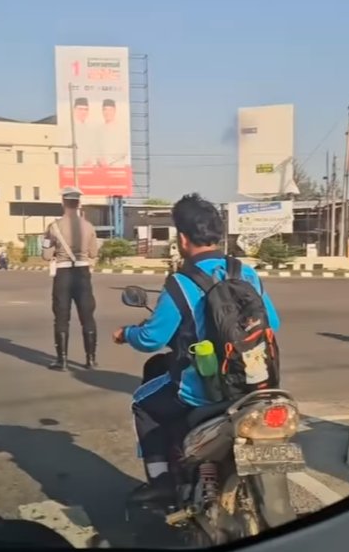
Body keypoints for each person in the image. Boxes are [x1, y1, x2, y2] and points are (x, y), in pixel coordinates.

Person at [112, 193, 280, 505]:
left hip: (201, 391)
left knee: (143, 404)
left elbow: (152, 338)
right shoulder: (246, 272)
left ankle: (161, 480)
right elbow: (274, 323)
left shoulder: (182, 282)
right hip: (254, 384)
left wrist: (125, 334)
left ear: (183, 239)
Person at [42, 187, 99, 371]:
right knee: (87, 316)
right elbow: (93, 253)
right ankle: (90, 359)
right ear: (79, 203)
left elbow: (46, 254)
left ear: (63, 203)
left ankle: (63, 360)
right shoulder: (89, 226)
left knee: (61, 317)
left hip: (63, 274)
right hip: (83, 274)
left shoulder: (54, 227)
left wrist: (50, 245)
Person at [96, 99, 129, 167]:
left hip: (117, 167)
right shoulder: (99, 129)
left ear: (114, 111)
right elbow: (96, 148)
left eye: (110, 110)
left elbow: (123, 150)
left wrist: (108, 161)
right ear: (102, 111)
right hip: (101, 168)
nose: (107, 112)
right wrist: (99, 159)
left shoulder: (121, 129)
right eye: (105, 109)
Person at [73, 97, 95, 167]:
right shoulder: (70, 128)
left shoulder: (90, 130)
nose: (83, 112)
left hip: (90, 169)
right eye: (80, 109)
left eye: (86, 109)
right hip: (73, 169)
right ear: (74, 110)